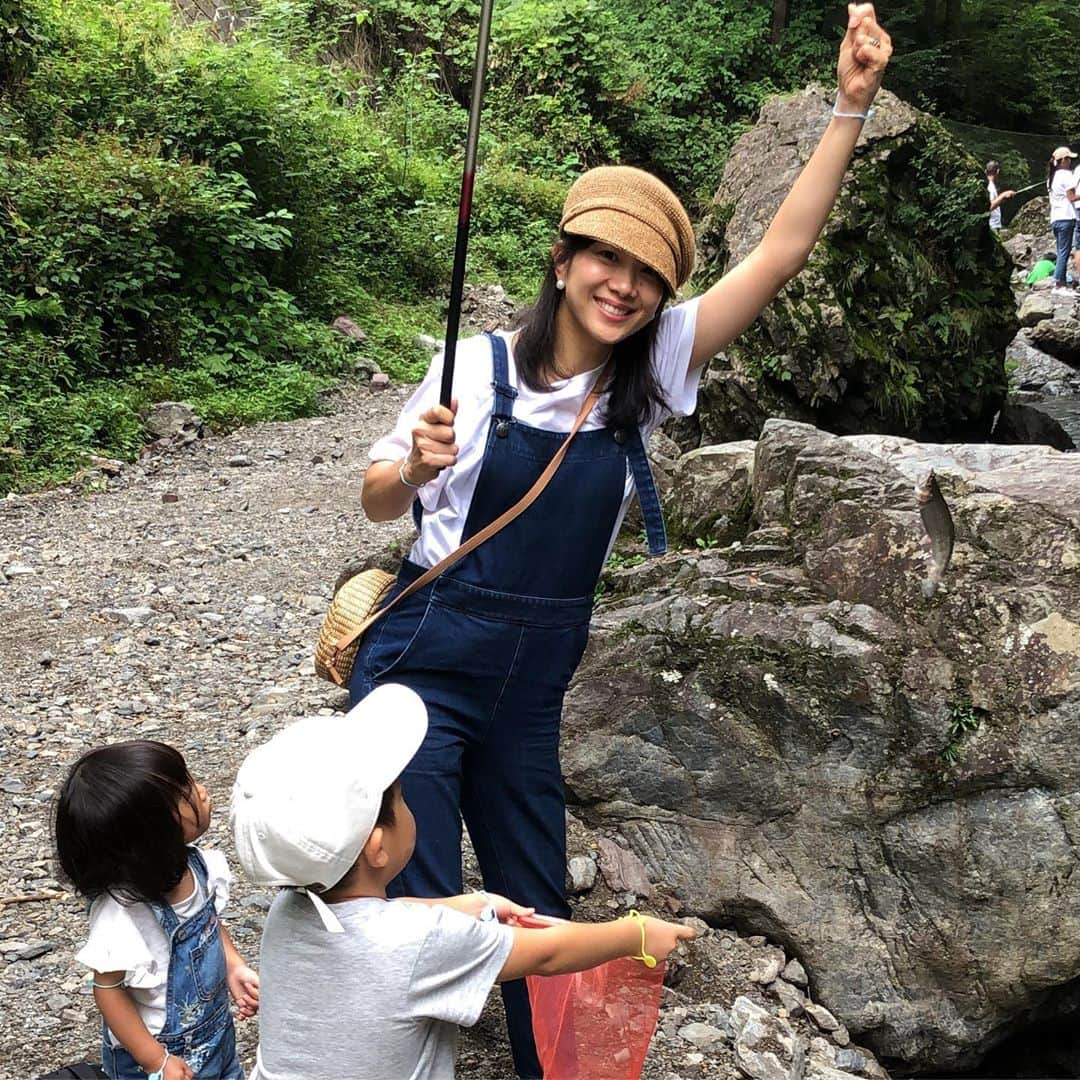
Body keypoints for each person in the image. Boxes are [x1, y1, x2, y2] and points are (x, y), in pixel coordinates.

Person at [351, 4, 892, 1074]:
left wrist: (850, 108)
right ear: (562, 258)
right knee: (405, 894)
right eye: (607, 261)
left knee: (542, 902)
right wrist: (411, 465)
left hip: (532, 689)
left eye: (648, 278)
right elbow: (376, 501)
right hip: (420, 666)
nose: (626, 287)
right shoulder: (472, 369)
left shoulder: (648, 377)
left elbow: (779, 255)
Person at [230, 684, 695, 1080]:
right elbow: (549, 955)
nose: (410, 806)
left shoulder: (288, 910)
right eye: (402, 798)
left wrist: (467, 904)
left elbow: (374, 923)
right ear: (377, 847)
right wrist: (636, 935)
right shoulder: (426, 946)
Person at [55, 742, 259, 1080]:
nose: (203, 791)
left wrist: (234, 965)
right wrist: (156, 1061)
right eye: (185, 792)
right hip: (158, 1052)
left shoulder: (199, 867)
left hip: (216, 1036)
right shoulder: (123, 914)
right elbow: (107, 990)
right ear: (151, 834)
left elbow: (207, 921)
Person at [1048, 146, 1077, 294]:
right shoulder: (1066, 175)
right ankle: (1058, 284)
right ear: (1063, 160)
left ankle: (1062, 283)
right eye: (1069, 159)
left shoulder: (1051, 177)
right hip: (1066, 217)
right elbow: (1071, 197)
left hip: (1055, 218)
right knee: (1064, 252)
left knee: (1061, 251)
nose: (1071, 161)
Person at [985, 161, 1014, 231]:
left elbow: (993, 202)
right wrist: (1003, 195)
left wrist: (1004, 197)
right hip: (992, 226)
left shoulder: (989, 185)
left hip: (993, 225)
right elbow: (990, 206)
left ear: (985, 171)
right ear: (997, 171)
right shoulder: (990, 187)